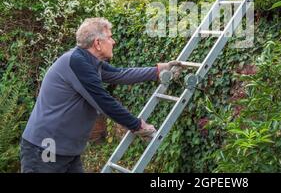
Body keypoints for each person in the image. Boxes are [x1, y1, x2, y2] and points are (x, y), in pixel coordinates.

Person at [20, 17, 181, 173]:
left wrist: (159, 70)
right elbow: (103, 102)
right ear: (97, 43)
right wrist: (137, 125)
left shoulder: (89, 62)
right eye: (110, 37)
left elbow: (120, 74)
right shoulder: (76, 62)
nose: (113, 42)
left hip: (67, 151)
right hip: (46, 148)